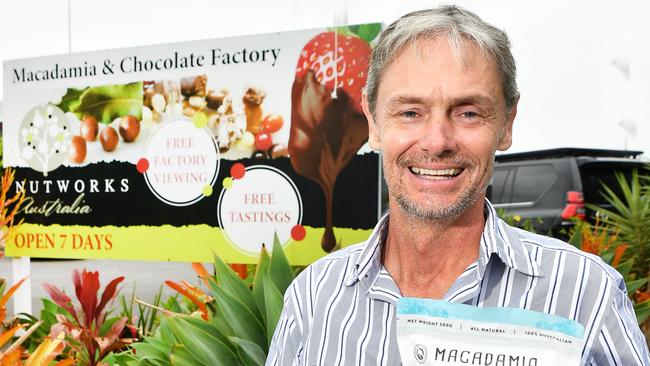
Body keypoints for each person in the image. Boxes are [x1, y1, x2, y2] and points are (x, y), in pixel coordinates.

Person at [267, 5, 650, 365]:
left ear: (507, 123)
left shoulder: (586, 295)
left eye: (468, 113)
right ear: (373, 122)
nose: (437, 142)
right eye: (410, 112)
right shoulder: (314, 297)